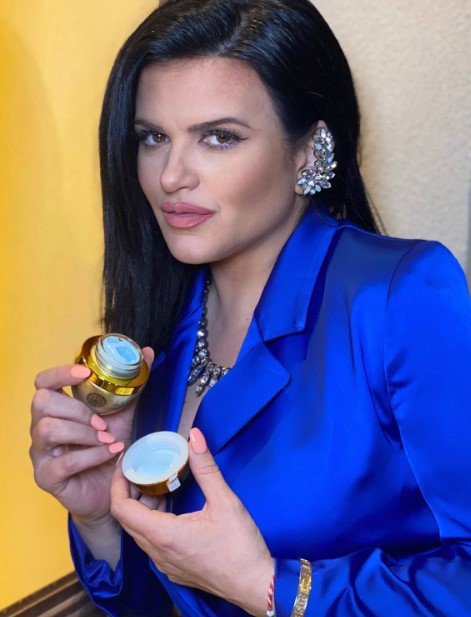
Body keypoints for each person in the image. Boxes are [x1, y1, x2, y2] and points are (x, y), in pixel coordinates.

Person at [30, 0, 471, 615]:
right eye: (153, 137)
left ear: (308, 151)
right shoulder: (162, 329)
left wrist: (271, 585)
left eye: (219, 137)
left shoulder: (399, 295)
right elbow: (178, 596)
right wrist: (104, 518)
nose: (171, 176)